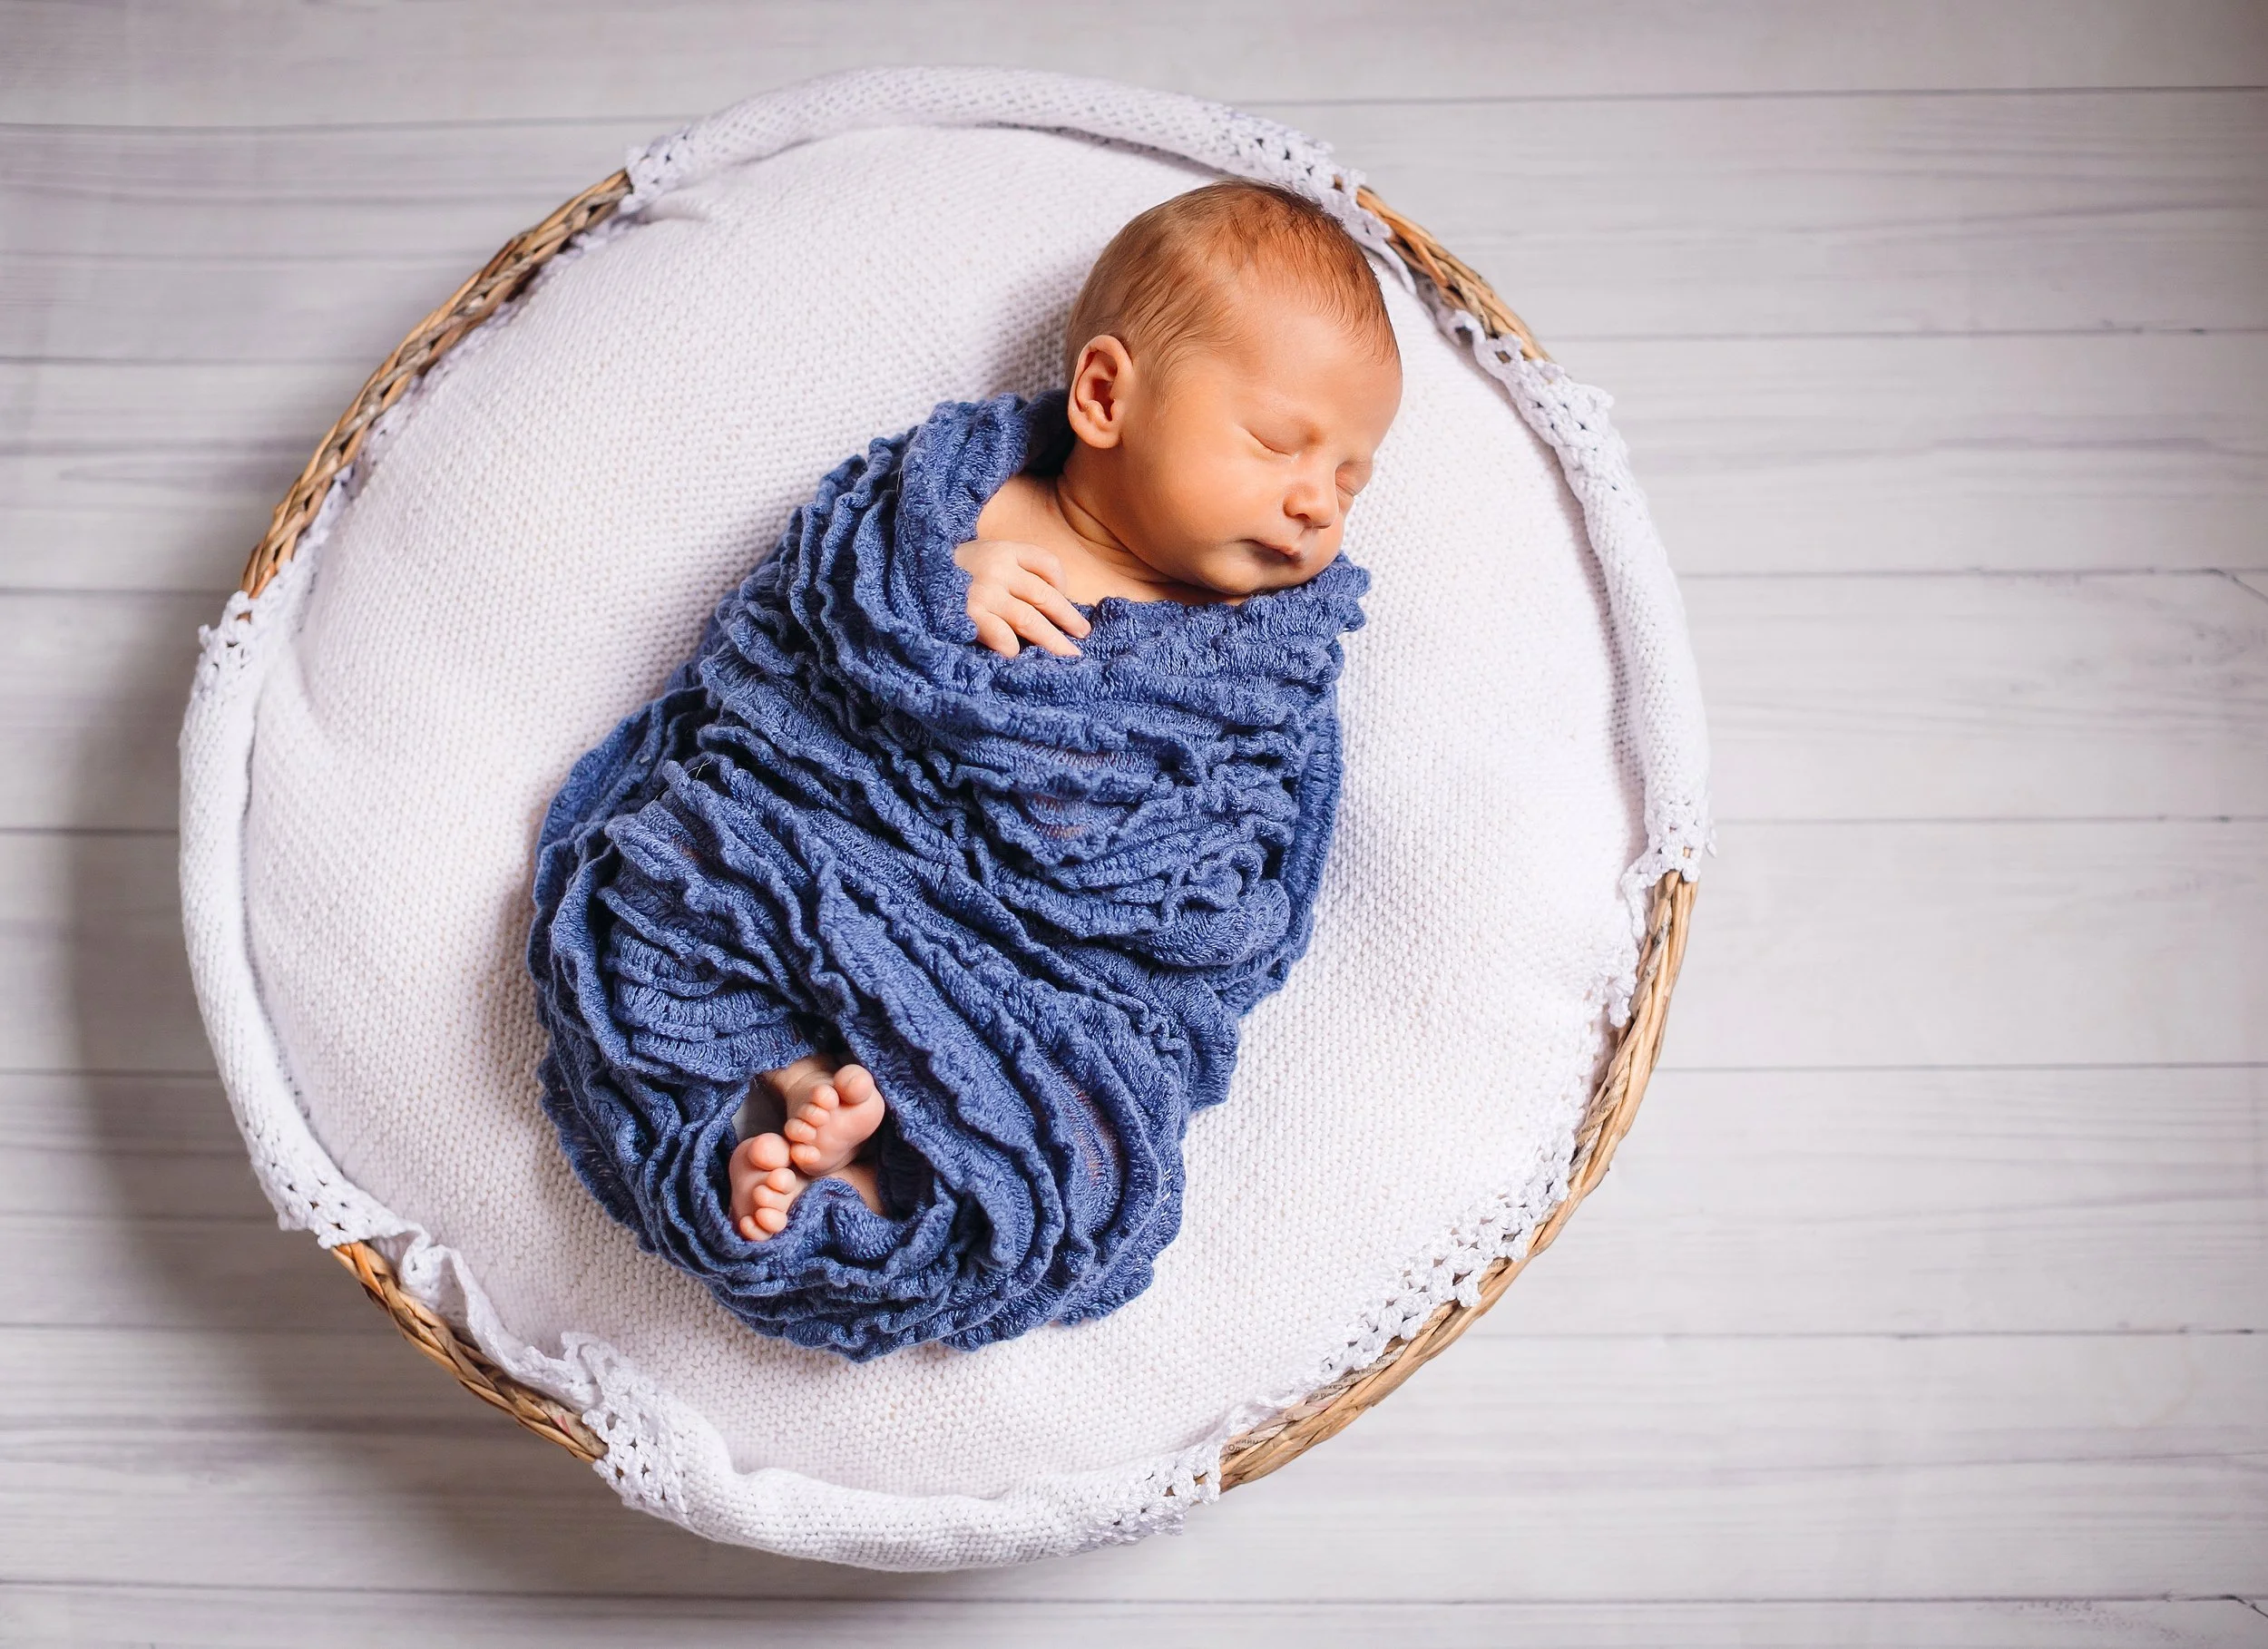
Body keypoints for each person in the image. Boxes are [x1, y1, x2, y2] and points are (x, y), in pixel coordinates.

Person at [728, 180, 1403, 1241]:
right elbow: (819, 610)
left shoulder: (1258, 654)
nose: (1317, 499)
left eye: (1350, 480)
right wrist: (936, 585)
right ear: (1102, 396)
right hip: (843, 851)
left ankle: (884, 1168)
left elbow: (1269, 845)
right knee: (676, 864)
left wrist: (1150, 889)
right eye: (1279, 442)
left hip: (1045, 972)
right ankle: (794, 1072)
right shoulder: (964, 505)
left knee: (1094, 1146)